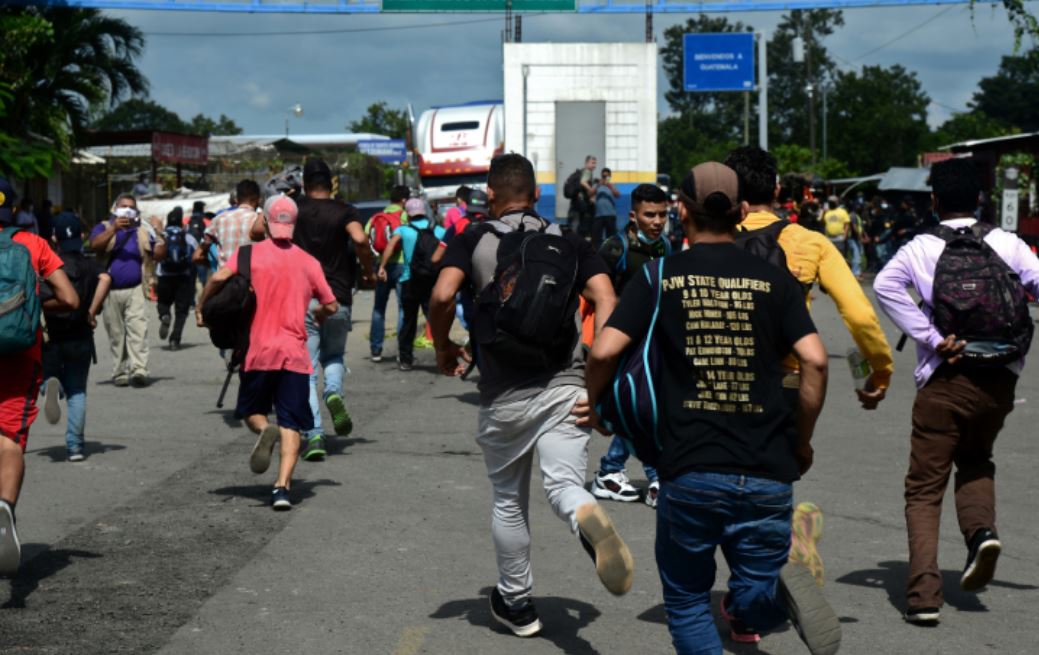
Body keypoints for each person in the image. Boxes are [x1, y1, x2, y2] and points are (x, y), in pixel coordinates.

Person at [584, 162, 840, 655]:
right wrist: (801, 442)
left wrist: (597, 406)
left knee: (686, 602)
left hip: (689, 466)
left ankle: (768, 592)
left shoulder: (660, 275)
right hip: (767, 464)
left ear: (682, 210)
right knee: (751, 591)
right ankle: (770, 592)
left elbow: (603, 351)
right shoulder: (774, 279)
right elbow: (815, 361)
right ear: (743, 212)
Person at [429, 153, 633, 638]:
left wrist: (444, 346)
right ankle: (584, 511)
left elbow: (440, 296)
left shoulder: (475, 236)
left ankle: (517, 604)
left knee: (508, 500)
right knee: (564, 485)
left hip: (504, 394)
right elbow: (607, 298)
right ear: (536, 194)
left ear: (491, 195)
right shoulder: (567, 238)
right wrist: (597, 374)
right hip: (566, 386)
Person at [873, 158, 1039, 625]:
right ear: (982, 200)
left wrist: (928, 336)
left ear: (934, 201)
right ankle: (981, 532)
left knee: (925, 488)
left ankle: (924, 597)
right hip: (1000, 379)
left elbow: (885, 286)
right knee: (976, 459)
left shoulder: (919, 247)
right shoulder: (1008, 243)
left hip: (945, 376)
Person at [724, 146, 893, 589]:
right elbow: (858, 313)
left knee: (716, 482)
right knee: (780, 469)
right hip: (785, 381)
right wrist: (879, 372)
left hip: (718, 378)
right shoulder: (809, 242)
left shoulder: (710, 238)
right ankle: (777, 552)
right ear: (778, 189)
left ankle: (747, 586)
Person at [199, 195, 337, 510]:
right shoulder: (308, 261)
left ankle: (264, 430)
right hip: (294, 355)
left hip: (257, 351)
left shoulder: (247, 256)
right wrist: (320, 315)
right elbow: (331, 304)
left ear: (267, 221)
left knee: (250, 412)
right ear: (294, 224)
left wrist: (200, 308)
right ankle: (282, 488)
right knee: (293, 423)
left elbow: (218, 278)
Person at [264, 159, 374, 461]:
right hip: (336, 298)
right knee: (335, 355)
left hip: (300, 300)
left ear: (305, 182)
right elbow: (360, 238)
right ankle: (334, 392)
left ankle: (314, 435)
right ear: (331, 182)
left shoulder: (294, 210)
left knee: (307, 370)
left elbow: (264, 233)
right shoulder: (344, 210)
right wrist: (368, 271)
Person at [0, 178, 79, 576]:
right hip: (19, 352)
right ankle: (4, 508)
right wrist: (35, 297)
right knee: (10, 437)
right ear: (14, 209)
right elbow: (70, 299)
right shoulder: (33, 244)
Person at [591, 183, 670, 508]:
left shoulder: (665, 245)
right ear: (634, 216)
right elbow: (590, 287)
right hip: (621, 342)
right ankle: (655, 477)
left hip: (652, 341)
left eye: (662, 214)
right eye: (650, 214)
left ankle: (611, 471)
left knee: (635, 407)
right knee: (635, 406)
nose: (657, 221)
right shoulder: (616, 246)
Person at [40, 211, 112, 461]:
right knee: (78, 392)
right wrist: (91, 311)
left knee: (49, 374)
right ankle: (75, 447)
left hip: (52, 337)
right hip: (80, 335)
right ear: (81, 236)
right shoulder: (89, 265)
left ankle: (51, 384)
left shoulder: (51, 265)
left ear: (53, 238)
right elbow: (106, 278)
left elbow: (41, 295)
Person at [88, 193, 166, 387]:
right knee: (116, 333)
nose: (127, 210)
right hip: (109, 291)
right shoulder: (104, 227)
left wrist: (158, 232)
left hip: (136, 288)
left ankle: (139, 370)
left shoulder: (142, 230)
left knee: (138, 330)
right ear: (115, 208)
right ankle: (120, 371)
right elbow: (94, 245)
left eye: (131, 207)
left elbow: (160, 254)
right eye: (123, 206)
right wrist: (114, 228)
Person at [377, 198, 445, 372]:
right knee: (436, 321)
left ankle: (406, 360)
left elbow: (391, 246)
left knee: (409, 321)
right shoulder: (438, 230)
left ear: (408, 213)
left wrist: (383, 267)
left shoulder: (403, 230)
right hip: (432, 281)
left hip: (410, 281)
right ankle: (443, 357)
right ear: (424, 211)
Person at [367, 184, 410, 363]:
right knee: (402, 308)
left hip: (381, 267)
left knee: (378, 308)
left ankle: (376, 350)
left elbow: (365, 238)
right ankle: (402, 350)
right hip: (401, 265)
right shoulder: (405, 216)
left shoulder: (376, 217)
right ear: (404, 200)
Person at [156, 207, 198, 350]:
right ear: (181, 221)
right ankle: (175, 340)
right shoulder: (187, 236)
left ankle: (164, 315)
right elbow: (196, 254)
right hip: (183, 277)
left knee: (162, 302)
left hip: (164, 276)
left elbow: (155, 254)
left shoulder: (162, 236)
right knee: (181, 312)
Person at [200, 179, 261, 271]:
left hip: (225, 280)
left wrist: (215, 266)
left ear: (236, 199)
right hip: (252, 280)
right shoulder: (261, 222)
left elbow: (197, 256)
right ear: (259, 200)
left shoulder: (218, 219)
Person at [568, 155, 597, 238]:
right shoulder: (587, 171)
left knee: (576, 227)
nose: (594, 165)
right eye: (592, 163)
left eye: (595, 163)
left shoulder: (581, 172)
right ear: (586, 163)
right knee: (581, 228)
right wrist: (591, 190)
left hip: (576, 204)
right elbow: (583, 182)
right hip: (581, 205)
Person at [591, 167, 621, 248]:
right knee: (596, 238)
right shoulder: (597, 185)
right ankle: (596, 253)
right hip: (598, 215)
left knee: (611, 237)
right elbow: (590, 194)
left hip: (610, 214)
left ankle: (610, 252)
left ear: (610, 176)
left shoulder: (613, 185)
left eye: (606, 176)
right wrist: (598, 186)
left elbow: (618, 195)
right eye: (603, 176)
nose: (605, 178)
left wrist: (609, 186)